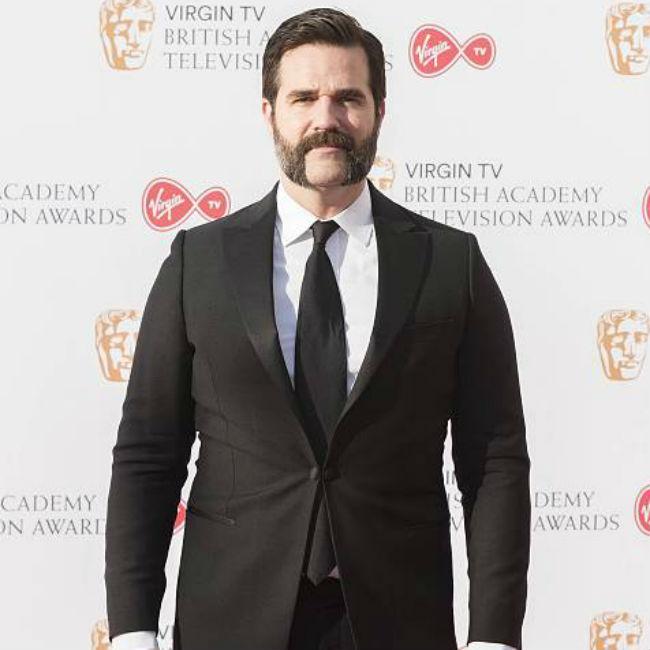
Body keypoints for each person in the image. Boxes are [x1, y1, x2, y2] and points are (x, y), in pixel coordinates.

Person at [105, 8, 531, 650]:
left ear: (379, 111)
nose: (325, 119)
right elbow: (148, 452)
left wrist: (494, 636)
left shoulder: (451, 264)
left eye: (348, 98)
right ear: (269, 112)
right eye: (303, 97)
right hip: (230, 621)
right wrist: (134, 629)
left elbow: (494, 458)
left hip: (399, 620)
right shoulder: (199, 262)